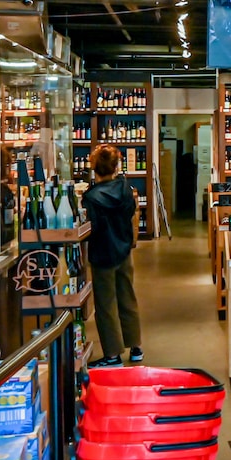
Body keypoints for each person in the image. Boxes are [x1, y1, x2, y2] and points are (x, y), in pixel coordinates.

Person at [82, 144, 142, 366]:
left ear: (94, 167)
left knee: (106, 304)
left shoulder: (91, 197)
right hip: (123, 249)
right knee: (127, 297)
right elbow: (130, 213)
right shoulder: (125, 188)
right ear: (116, 166)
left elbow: (93, 228)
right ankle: (135, 347)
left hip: (103, 254)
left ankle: (112, 355)